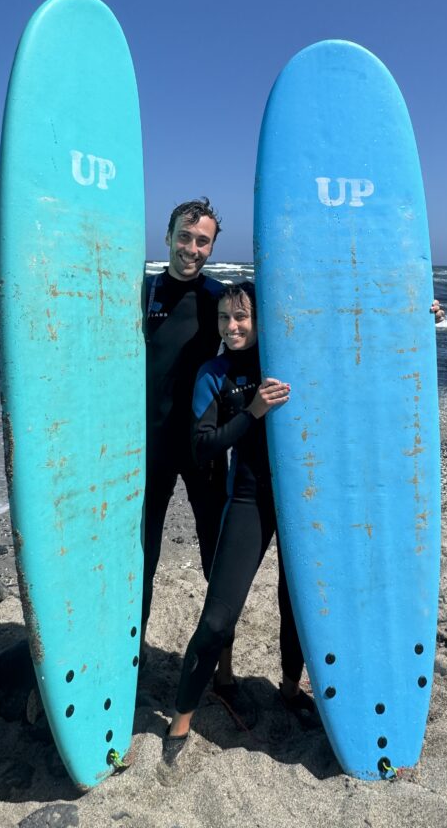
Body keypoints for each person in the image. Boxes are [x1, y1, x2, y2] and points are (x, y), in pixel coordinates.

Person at [164, 281, 315, 761]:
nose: (232, 327)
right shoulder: (215, 372)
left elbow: (353, 338)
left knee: (297, 603)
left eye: (242, 317)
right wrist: (253, 410)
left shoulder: (288, 355)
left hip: (302, 497)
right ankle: (181, 718)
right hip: (248, 499)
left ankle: (290, 689)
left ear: (261, 318)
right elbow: (203, 445)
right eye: (225, 318)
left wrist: (419, 315)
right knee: (216, 617)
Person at [141, 198, 234, 677]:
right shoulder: (142, 291)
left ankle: (224, 670)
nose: (191, 248)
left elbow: (291, 323)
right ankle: (130, 661)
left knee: (215, 557)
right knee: (142, 557)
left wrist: (410, 312)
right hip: (148, 449)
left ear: (212, 247)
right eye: (184, 236)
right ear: (167, 235)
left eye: (202, 241)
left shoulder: (220, 298)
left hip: (203, 449)